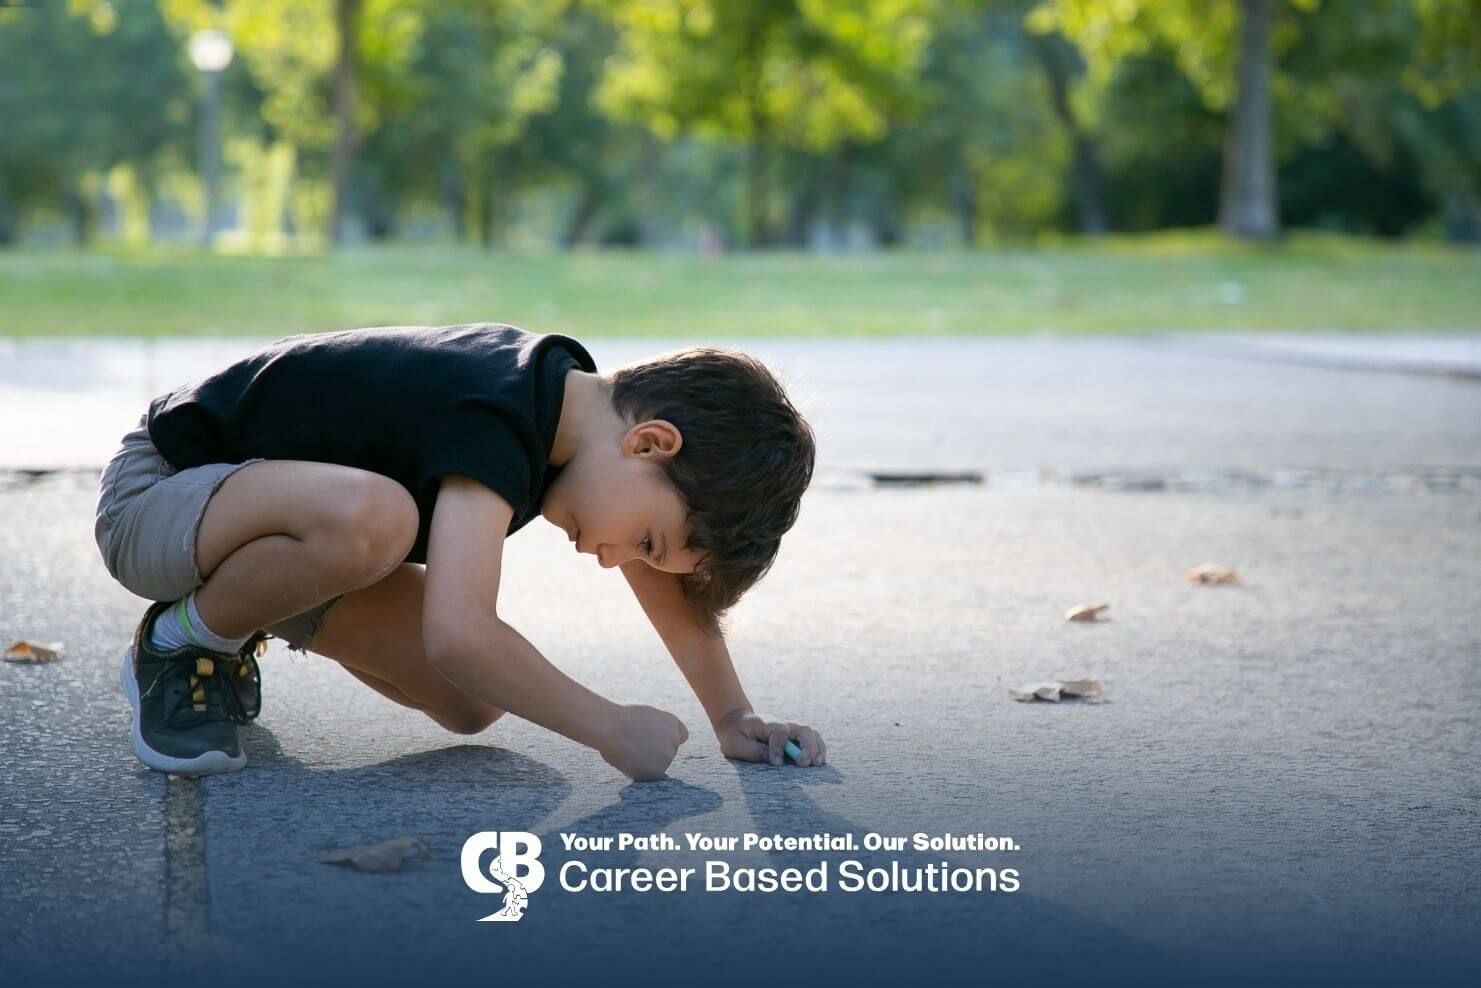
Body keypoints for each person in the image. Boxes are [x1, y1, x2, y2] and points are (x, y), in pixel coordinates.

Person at [93, 322, 826, 782]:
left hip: (266, 526)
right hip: (163, 493)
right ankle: (182, 640)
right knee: (381, 520)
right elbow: (459, 633)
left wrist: (733, 719)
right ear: (650, 442)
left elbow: (662, 586)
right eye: (643, 542)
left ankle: (245, 607)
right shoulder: (498, 411)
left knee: (473, 702)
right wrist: (607, 728)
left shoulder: (574, 420)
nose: (616, 560)